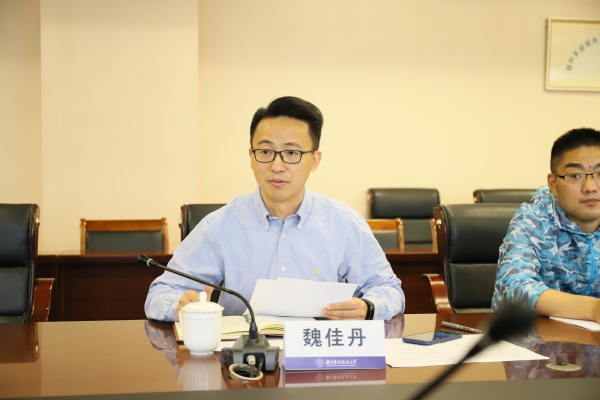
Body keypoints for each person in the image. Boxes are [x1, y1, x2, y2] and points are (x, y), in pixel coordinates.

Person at [145, 96, 405, 321]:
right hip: (243, 356)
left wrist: (369, 307)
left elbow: (389, 289)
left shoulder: (344, 223)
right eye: (266, 152)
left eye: (291, 153)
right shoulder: (220, 225)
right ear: (251, 157)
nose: (277, 166)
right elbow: (160, 294)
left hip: (318, 354)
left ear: (314, 160)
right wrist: (180, 305)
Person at [492, 127, 600, 323]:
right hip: (535, 337)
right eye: (575, 175)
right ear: (553, 183)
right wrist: (593, 309)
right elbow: (514, 286)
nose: (590, 187)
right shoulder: (532, 219)